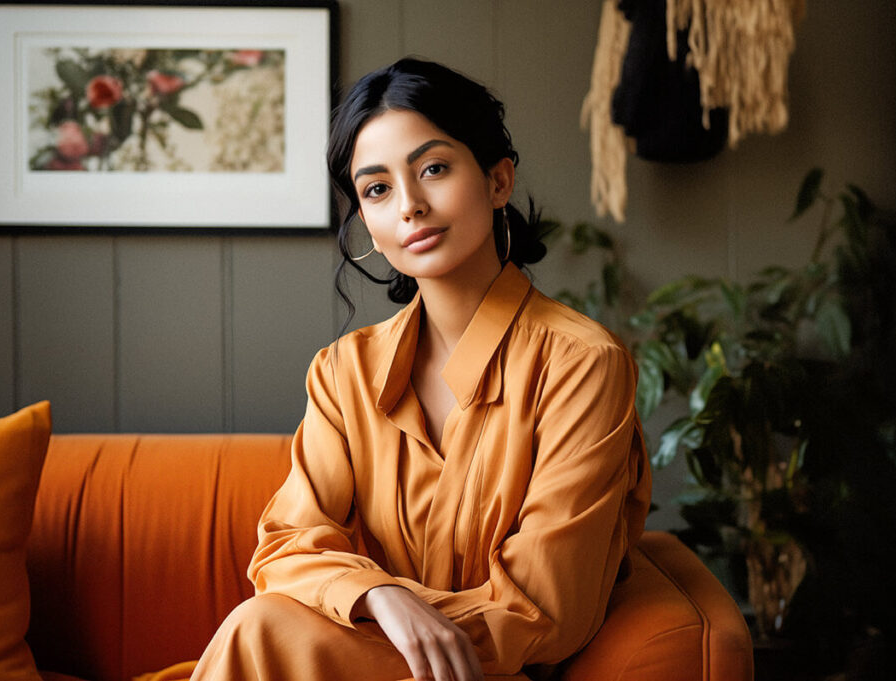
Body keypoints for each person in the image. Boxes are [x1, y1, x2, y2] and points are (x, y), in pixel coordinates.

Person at [191, 57, 651, 681]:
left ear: (497, 181)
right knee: (264, 625)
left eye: (433, 168)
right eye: (377, 189)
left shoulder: (582, 365)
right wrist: (382, 598)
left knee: (261, 629)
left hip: (493, 668)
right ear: (368, 227)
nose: (409, 205)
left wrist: (393, 612)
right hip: (375, 653)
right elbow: (286, 543)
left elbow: (548, 607)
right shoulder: (342, 372)